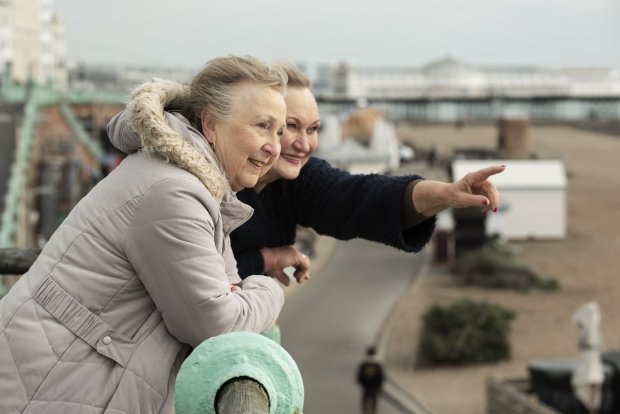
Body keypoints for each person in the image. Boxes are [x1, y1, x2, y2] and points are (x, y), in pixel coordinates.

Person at [0, 55, 288, 413]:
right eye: (262, 126)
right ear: (211, 125)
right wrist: (269, 288)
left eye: (279, 131)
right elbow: (216, 324)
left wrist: (235, 295)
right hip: (50, 386)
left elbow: (220, 296)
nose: (275, 146)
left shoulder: (188, 182)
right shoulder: (174, 192)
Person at [107, 62, 504, 286]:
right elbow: (193, 283)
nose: (302, 143)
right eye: (287, 126)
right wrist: (265, 258)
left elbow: (358, 198)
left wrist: (446, 193)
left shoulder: (289, 179)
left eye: (313, 129)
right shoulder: (188, 178)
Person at [356, 346, 385, 414]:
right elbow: (381, 377)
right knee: (374, 400)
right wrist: (379, 386)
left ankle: (364, 411)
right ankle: (373, 411)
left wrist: (362, 384)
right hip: (374, 387)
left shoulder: (363, 364)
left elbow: (359, 376)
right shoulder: (377, 365)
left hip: (366, 387)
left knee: (365, 400)